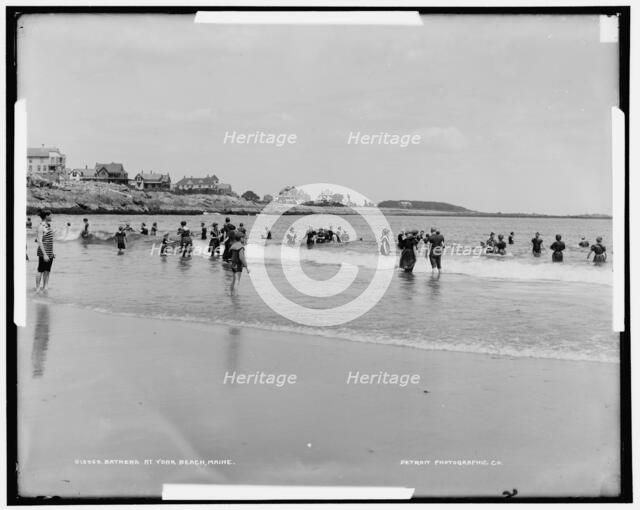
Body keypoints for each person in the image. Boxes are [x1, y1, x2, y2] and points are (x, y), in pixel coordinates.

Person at [35, 210, 54, 292]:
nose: (51, 217)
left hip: (49, 251)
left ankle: (45, 287)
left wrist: (50, 253)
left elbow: (43, 238)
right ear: (46, 216)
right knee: (41, 270)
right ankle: (37, 288)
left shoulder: (47, 225)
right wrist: (45, 254)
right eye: (50, 215)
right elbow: (39, 241)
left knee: (47, 270)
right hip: (44, 252)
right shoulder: (41, 226)